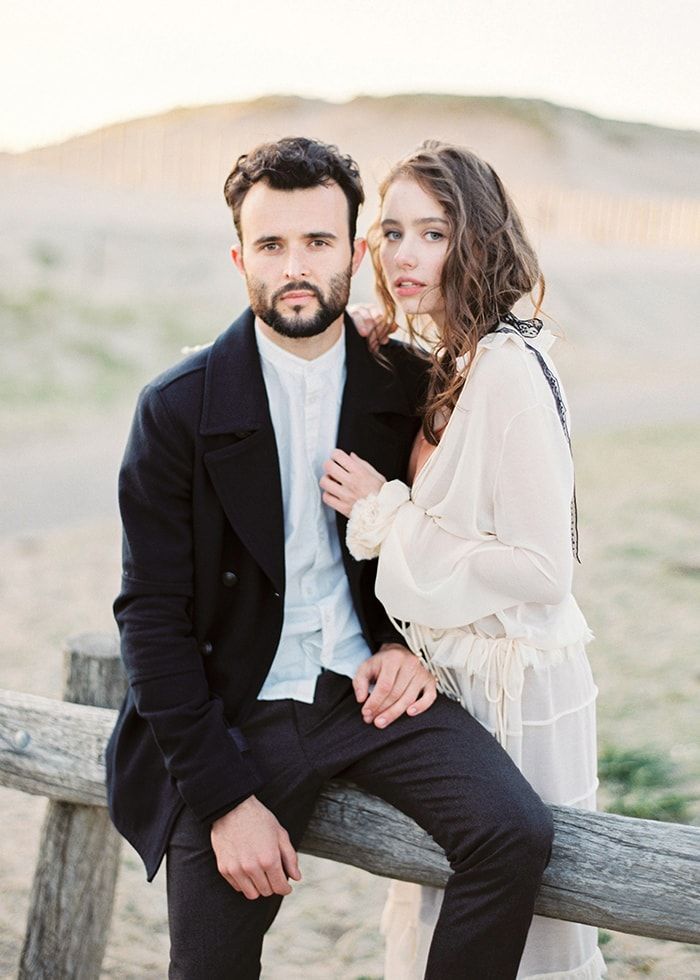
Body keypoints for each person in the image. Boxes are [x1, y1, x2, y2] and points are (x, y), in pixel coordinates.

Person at [105, 136, 553, 980]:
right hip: (233, 714)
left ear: (357, 249)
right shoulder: (176, 409)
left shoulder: (408, 383)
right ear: (240, 257)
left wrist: (402, 645)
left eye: (319, 242)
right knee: (206, 968)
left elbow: (439, 539)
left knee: (514, 833)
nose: (295, 267)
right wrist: (226, 799)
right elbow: (150, 618)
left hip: (368, 697)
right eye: (271, 246)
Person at [321, 141, 606, 980]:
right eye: (392, 232)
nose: (405, 255)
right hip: (462, 680)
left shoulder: (509, 368)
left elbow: (543, 569)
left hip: (515, 697)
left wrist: (384, 511)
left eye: (433, 234)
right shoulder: (463, 356)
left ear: (475, 239)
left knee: (519, 946)